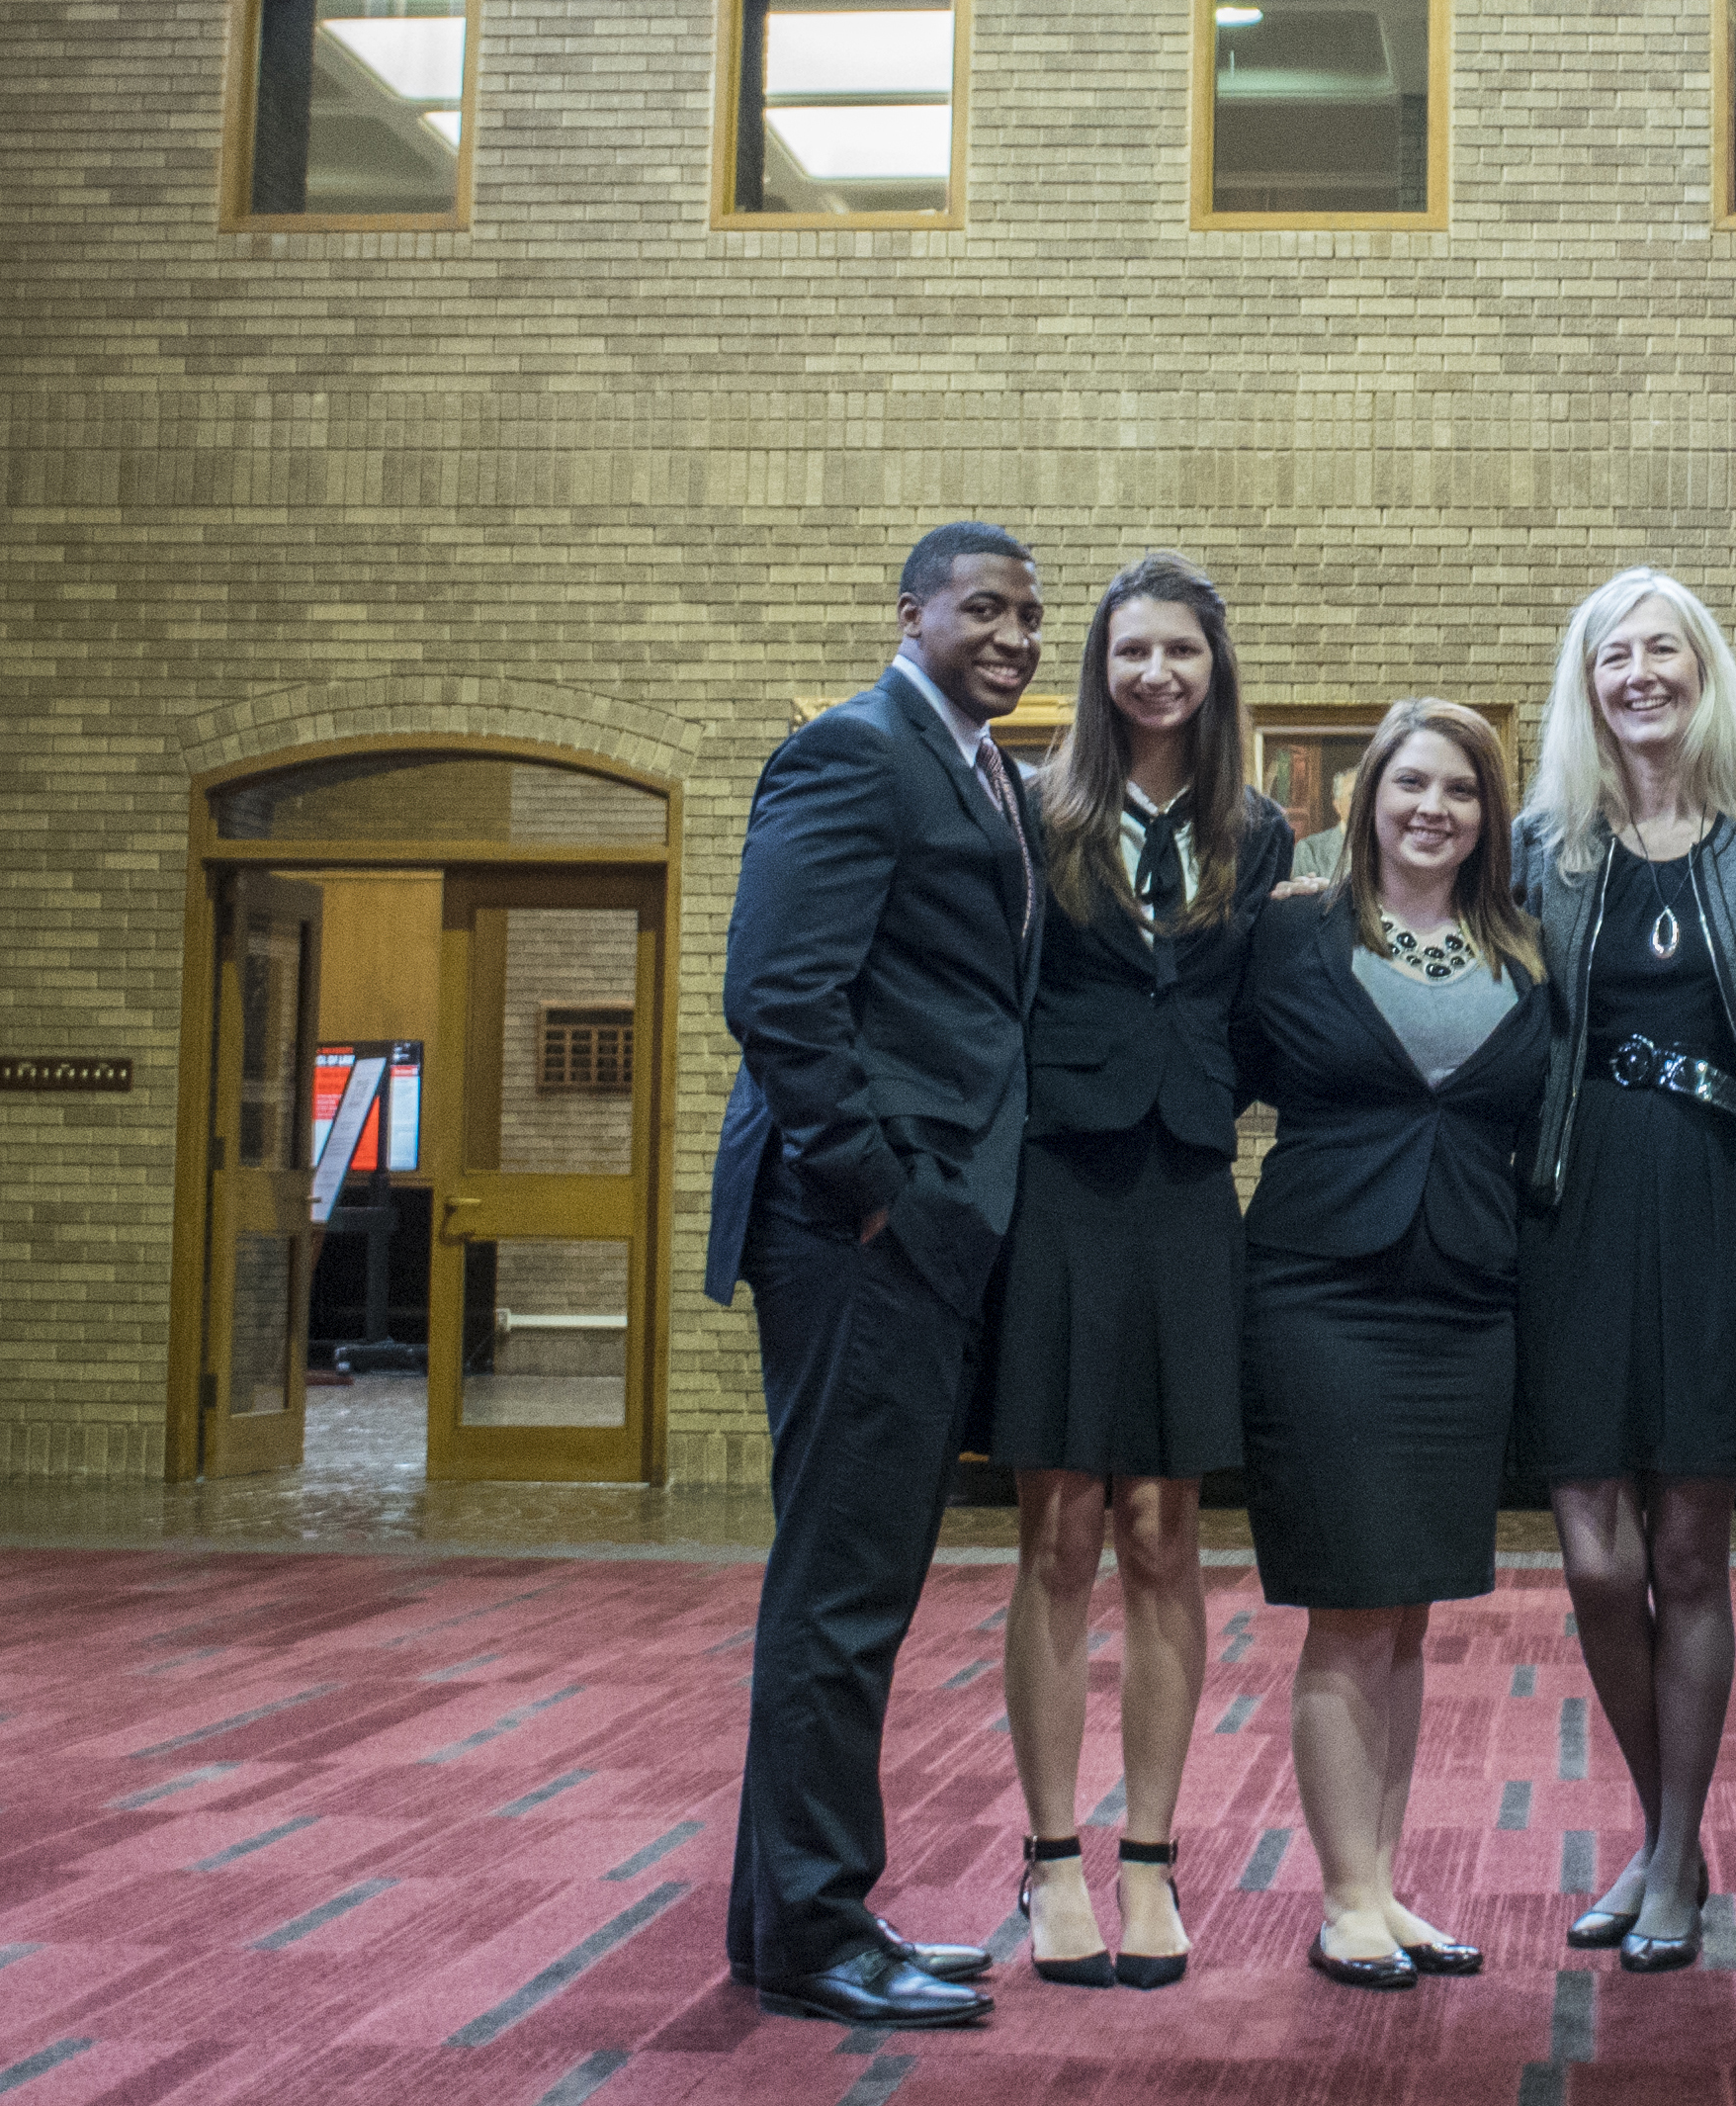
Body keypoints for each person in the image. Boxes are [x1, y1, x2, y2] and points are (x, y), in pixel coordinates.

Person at [703, 520, 1047, 2030]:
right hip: (853, 1236)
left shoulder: (988, 775)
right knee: (841, 1592)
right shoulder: (851, 751)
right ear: (911, 612)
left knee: (860, 1583)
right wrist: (881, 1198)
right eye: (985, 607)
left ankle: (791, 1910)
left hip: (917, 1231)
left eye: (1033, 615)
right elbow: (777, 997)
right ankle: (816, 1933)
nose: (1015, 635)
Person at [984, 553, 1292, 1990]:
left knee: (1166, 1528)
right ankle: (1052, 1859)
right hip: (1060, 1186)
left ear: (1215, 669)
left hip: (1184, 1190)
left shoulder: (1263, 832)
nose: (1155, 672)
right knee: (1057, 1526)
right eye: (1130, 651)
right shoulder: (1040, 817)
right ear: (1098, 671)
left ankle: (1152, 1856)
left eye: (1180, 650)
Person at [1512, 566, 1736, 1971]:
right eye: (1612, 655)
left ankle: (1674, 1857)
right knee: (1593, 1554)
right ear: (1585, 684)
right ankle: (1664, 1836)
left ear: (1705, 668)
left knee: (1692, 1549)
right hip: (1573, 1204)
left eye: (1664, 650)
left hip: (1717, 1203)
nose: (1640, 674)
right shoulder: (1539, 847)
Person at [1231, 698, 1549, 1989]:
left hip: (1465, 1301)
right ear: (1368, 800)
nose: (1433, 808)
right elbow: (1216, 1071)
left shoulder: (1526, 947)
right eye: (1410, 784)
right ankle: (1345, 1895)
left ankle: (1386, 1881)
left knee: (1409, 1611)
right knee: (1349, 1607)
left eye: (1461, 791)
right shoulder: (1294, 930)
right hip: (1322, 1295)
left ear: (1490, 814)